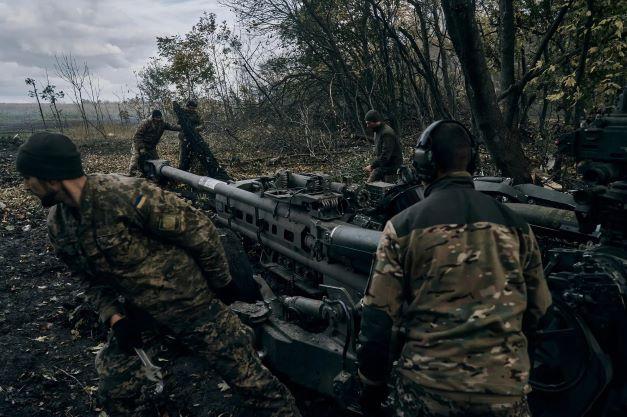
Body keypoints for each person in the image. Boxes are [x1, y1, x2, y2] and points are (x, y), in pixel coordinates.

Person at [16, 132, 302, 417]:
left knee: (256, 388)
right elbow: (86, 278)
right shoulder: (59, 225)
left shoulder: (127, 195)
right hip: (140, 317)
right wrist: (114, 317)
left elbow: (200, 232)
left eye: (28, 177)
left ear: (52, 177)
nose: (26, 185)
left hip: (194, 308)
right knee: (117, 389)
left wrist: (222, 285)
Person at [357, 120, 552, 417]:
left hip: (428, 392)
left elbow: (378, 321)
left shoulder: (403, 227)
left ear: (424, 163)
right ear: (472, 161)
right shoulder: (517, 226)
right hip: (504, 394)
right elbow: (540, 312)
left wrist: (371, 387)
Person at [128, 109, 180, 177]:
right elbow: (137, 136)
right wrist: (141, 148)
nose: (158, 119)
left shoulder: (162, 123)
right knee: (136, 157)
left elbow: (172, 127)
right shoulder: (145, 123)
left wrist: (183, 128)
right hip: (140, 144)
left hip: (151, 146)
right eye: (156, 118)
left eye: (159, 117)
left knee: (156, 161)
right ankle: (132, 172)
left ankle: (152, 173)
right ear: (153, 117)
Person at [363, 110, 403, 183]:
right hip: (384, 165)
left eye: (369, 123)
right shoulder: (377, 131)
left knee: (370, 182)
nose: (367, 126)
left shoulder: (387, 133)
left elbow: (385, 156)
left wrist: (372, 166)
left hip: (392, 166)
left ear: (375, 121)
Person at [178, 99, 203, 172]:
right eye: (191, 108)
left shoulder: (196, 114)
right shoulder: (182, 113)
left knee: (193, 154)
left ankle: (191, 170)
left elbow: (202, 125)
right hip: (184, 137)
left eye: (193, 108)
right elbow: (179, 125)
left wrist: (196, 129)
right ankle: (182, 170)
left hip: (195, 137)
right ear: (187, 107)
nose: (192, 109)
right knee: (184, 154)